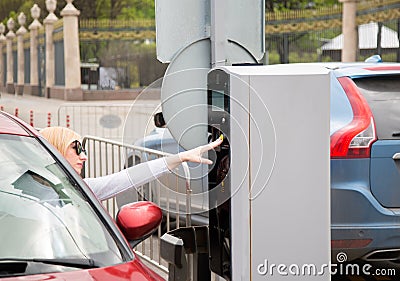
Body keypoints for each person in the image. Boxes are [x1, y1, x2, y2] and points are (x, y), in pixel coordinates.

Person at [40, 126, 222, 201]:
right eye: (76, 148)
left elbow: (127, 177)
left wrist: (180, 157)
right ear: (54, 150)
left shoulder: (78, 188)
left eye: (84, 149)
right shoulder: (33, 197)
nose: (84, 157)